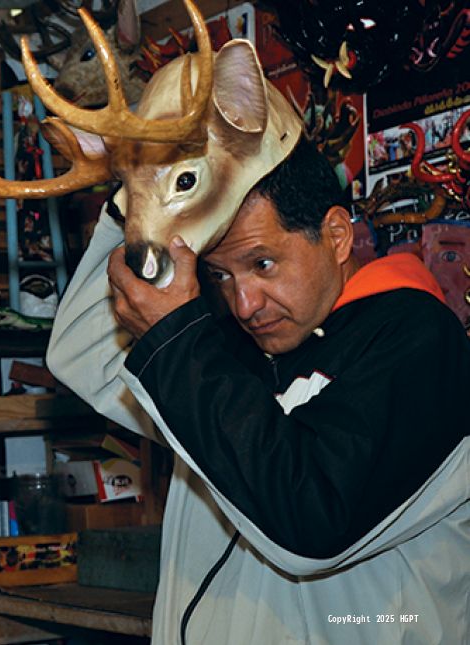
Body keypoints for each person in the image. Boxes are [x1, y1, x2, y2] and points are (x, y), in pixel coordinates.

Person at [46, 138, 469, 644]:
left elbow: (312, 521)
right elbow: (81, 351)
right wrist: (143, 203)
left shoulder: (415, 336)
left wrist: (178, 341)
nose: (245, 303)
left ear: (336, 236)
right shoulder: (241, 345)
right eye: (220, 274)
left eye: (262, 263)